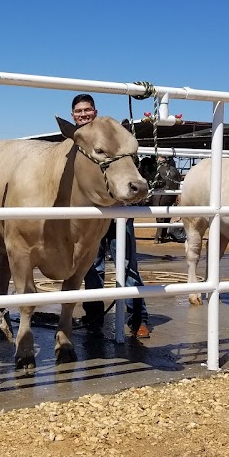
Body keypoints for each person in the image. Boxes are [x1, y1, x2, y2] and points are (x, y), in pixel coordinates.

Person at [71, 94, 151, 339]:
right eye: (78, 111)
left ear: (94, 112)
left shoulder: (112, 135)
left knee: (126, 266)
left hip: (117, 212)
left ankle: (138, 318)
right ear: (73, 116)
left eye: (87, 110)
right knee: (91, 268)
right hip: (89, 217)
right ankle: (93, 315)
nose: (83, 114)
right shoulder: (72, 144)